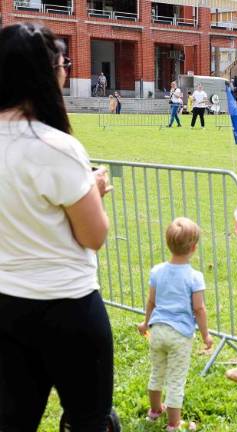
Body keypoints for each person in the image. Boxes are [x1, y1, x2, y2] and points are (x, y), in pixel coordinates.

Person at [0, 23, 114, 430]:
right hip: (68, 307)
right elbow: (93, 236)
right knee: (89, 420)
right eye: (63, 63)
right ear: (47, 72)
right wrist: (95, 192)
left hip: (7, 303)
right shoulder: (57, 148)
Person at [137, 217, 213, 432]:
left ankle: (154, 412)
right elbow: (199, 309)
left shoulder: (157, 271)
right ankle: (173, 424)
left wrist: (145, 323)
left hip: (157, 330)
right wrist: (205, 335)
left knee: (157, 372)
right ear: (194, 247)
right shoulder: (194, 277)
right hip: (180, 335)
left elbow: (152, 301)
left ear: (167, 243)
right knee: (176, 380)